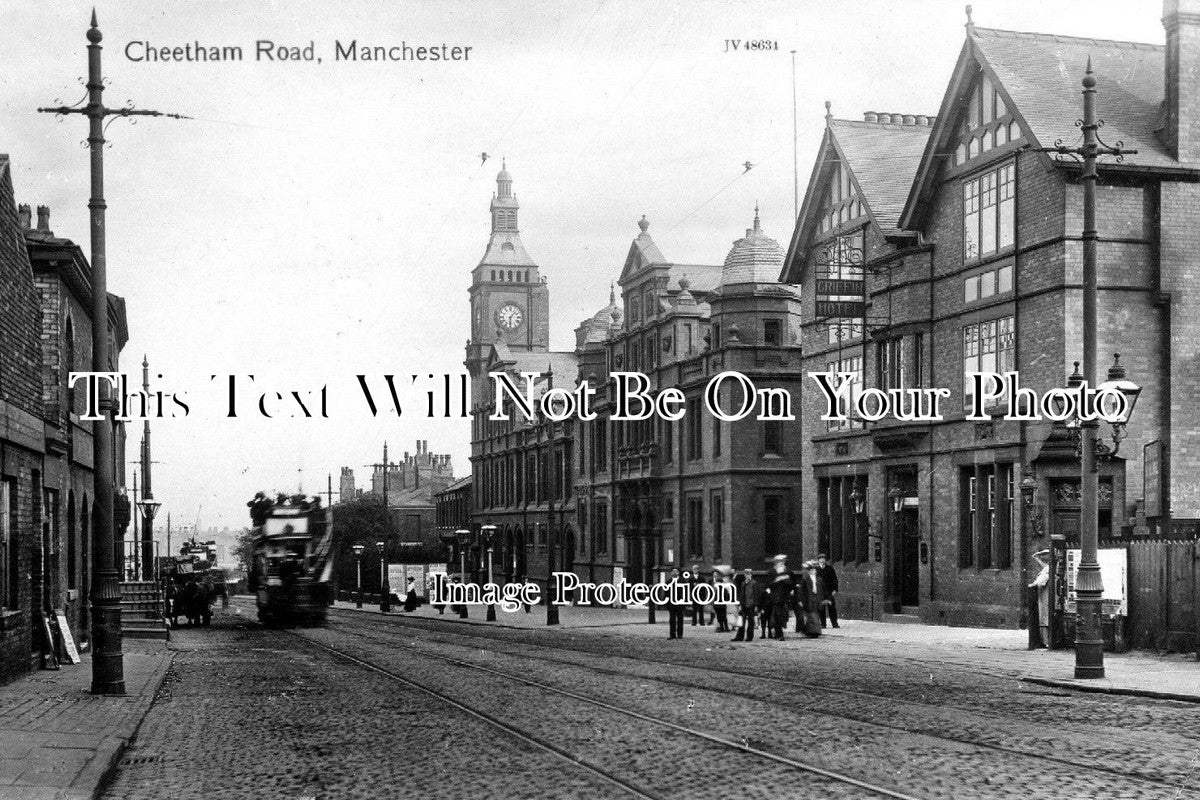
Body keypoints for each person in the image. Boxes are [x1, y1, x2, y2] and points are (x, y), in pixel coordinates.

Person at [765, 555, 794, 640]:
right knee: (777, 615)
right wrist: (777, 580)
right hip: (775, 597)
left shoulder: (787, 572)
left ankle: (779, 633)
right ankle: (779, 634)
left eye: (782, 562)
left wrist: (784, 578)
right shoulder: (771, 572)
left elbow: (790, 584)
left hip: (784, 597)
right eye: (779, 562)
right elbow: (768, 585)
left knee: (783, 615)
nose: (780, 564)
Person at [732, 568, 761, 642]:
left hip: (751, 605)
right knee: (742, 621)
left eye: (748, 574)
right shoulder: (743, 583)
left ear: (751, 575)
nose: (747, 575)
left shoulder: (754, 583)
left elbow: (756, 594)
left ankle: (749, 637)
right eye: (746, 574)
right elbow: (742, 594)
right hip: (744, 604)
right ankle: (739, 636)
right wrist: (740, 604)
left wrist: (756, 605)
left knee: (750, 622)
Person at [1029, 549, 1051, 648]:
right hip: (1045, 596)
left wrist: (1032, 584)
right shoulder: (1049, 567)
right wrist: (1037, 557)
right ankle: (1045, 640)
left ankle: (1045, 641)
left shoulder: (1048, 569)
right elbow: (1045, 567)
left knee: (1044, 617)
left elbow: (1040, 582)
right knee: (1044, 617)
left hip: (1044, 597)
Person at [816, 553, 839, 628]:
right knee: (821, 609)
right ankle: (823, 624)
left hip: (829, 591)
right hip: (820, 592)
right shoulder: (816, 569)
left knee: (832, 608)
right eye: (821, 559)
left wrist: (835, 589)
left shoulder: (830, 568)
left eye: (824, 559)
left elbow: (834, 579)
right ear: (818, 560)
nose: (822, 560)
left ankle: (834, 623)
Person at [665, 568, 685, 639]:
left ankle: (680, 634)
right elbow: (666, 593)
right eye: (673, 571)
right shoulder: (668, 582)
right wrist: (666, 603)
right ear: (671, 573)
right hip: (671, 604)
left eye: (676, 571)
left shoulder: (683, 581)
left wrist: (684, 602)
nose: (674, 573)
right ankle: (672, 634)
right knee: (672, 619)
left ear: (679, 573)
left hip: (680, 603)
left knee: (680, 619)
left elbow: (685, 592)